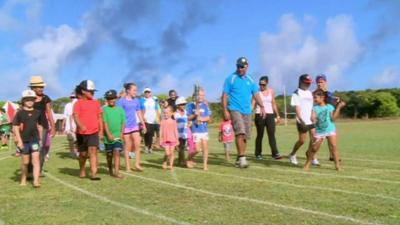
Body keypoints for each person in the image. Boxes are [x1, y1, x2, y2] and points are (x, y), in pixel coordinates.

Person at [222, 57, 266, 168]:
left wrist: (262, 106)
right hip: (234, 109)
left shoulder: (250, 80)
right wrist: (225, 110)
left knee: (245, 136)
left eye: (242, 66)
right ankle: (242, 158)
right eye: (238, 66)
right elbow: (225, 95)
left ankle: (239, 157)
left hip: (247, 110)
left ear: (247, 66)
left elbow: (256, 94)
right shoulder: (230, 79)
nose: (240, 69)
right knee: (240, 132)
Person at [304, 89, 346, 171]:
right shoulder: (315, 108)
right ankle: (307, 164)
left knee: (334, 147)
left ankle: (338, 166)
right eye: (313, 98)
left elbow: (333, 119)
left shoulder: (329, 107)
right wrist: (313, 118)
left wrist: (338, 107)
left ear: (322, 97)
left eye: (315, 98)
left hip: (330, 129)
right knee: (314, 149)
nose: (314, 99)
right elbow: (312, 117)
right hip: (320, 131)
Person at [73, 80, 103, 180]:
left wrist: (101, 131)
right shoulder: (78, 103)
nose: (92, 93)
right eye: (90, 91)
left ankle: (94, 173)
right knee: (83, 154)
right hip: (81, 133)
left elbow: (99, 117)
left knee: (93, 151)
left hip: (94, 131)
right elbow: (76, 116)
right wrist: (81, 125)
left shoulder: (96, 103)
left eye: (93, 91)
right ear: (83, 91)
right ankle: (82, 169)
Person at [13, 90, 43, 187]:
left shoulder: (38, 113)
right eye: (27, 100)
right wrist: (19, 141)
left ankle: (36, 181)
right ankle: (23, 178)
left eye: (32, 100)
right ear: (23, 101)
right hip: (24, 141)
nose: (30, 101)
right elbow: (15, 128)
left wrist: (41, 139)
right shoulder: (19, 113)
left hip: (34, 140)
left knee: (36, 160)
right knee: (25, 162)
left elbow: (40, 126)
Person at [288, 74, 320, 166]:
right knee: (302, 141)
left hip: (311, 120)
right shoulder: (296, 93)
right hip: (302, 120)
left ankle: (311, 155)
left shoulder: (310, 93)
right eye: (306, 83)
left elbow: (312, 105)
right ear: (301, 82)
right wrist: (301, 119)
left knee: (314, 138)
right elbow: (297, 108)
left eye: (309, 83)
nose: (308, 84)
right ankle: (292, 154)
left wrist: (313, 115)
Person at [117, 83, 147, 172]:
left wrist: (143, 124)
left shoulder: (137, 101)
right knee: (127, 147)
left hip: (134, 126)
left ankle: (137, 164)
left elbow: (139, 113)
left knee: (137, 144)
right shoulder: (121, 101)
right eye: (134, 90)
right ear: (128, 90)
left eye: (136, 90)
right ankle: (128, 167)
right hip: (125, 126)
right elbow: (119, 115)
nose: (135, 92)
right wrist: (120, 129)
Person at [29, 76, 55, 173]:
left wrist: (53, 127)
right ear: (33, 88)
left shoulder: (46, 98)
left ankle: (38, 170)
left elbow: (49, 112)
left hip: (43, 126)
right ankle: (30, 170)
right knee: (31, 148)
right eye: (39, 87)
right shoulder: (28, 98)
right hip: (30, 126)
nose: (41, 89)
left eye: (42, 87)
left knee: (41, 148)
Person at [252, 76, 282, 160]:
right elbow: (252, 104)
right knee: (260, 135)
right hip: (259, 115)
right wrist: (247, 115)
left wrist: (278, 115)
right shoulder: (256, 92)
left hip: (270, 115)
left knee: (271, 134)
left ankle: (275, 154)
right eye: (260, 84)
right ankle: (258, 154)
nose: (261, 86)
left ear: (267, 83)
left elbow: (273, 103)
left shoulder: (271, 91)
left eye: (263, 84)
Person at [315, 74, 342, 161]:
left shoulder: (329, 93)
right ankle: (312, 156)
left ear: (325, 82)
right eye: (318, 82)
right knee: (318, 140)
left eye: (321, 82)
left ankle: (332, 155)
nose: (319, 84)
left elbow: (330, 101)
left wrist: (336, 99)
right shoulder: (315, 94)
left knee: (331, 138)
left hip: (329, 119)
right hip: (319, 119)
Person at [186, 88, 211, 170]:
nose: (201, 97)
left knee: (205, 148)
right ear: (195, 95)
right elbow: (188, 118)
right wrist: (194, 115)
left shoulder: (204, 105)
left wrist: (202, 119)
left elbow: (208, 118)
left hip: (204, 130)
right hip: (195, 130)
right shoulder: (190, 105)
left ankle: (205, 165)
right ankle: (189, 157)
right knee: (197, 149)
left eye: (203, 95)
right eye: (200, 95)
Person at [102, 90, 125, 178]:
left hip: (118, 136)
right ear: (107, 100)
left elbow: (123, 123)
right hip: (108, 137)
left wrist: (121, 133)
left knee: (117, 151)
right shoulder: (104, 110)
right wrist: (108, 134)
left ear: (116, 98)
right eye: (109, 98)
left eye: (112, 98)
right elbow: (105, 123)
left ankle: (116, 172)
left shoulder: (120, 110)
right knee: (109, 155)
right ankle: (110, 169)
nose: (111, 100)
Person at [140, 88, 161, 154]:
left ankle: (150, 148)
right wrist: (142, 118)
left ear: (150, 93)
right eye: (146, 92)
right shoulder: (141, 100)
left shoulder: (153, 101)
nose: (147, 93)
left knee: (151, 134)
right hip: (145, 120)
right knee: (146, 134)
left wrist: (158, 119)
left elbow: (156, 110)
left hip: (153, 120)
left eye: (148, 92)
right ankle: (146, 147)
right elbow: (139, 110)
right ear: (144, 93)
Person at [160, 106, 179, 170]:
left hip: (173, 139)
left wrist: (177, 139)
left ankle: (171, 165)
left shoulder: (174, 121)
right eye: (164, 113)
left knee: (172, 152)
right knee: (167, 153)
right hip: (165, 139)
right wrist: (160, 139)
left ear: (171, 113)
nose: (165, 114)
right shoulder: (162, 121)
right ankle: (164, 161)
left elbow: (175, 131)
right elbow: (161, 131)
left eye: (167, 113)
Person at [62, 92, 78, 158]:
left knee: (77, 140)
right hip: (69, 126)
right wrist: (63, 125)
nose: (73, 98)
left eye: (74, 97)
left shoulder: (77, 104)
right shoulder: (67, 105)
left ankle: (77, 152)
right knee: (71, 140)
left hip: (77, 124)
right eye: (72, 97)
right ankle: (72, 152)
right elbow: (65, 116)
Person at [174, 97, 189, 165]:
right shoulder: (175, 114)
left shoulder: (186, 112)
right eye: (182, 104)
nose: (183, 105)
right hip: (177, 134)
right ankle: (184, 161)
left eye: (184, 104)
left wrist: (190, 123)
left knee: (182, 147)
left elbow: (189, 121)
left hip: (184, 133)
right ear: (177, 105)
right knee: (181, 148)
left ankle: (180, 161)